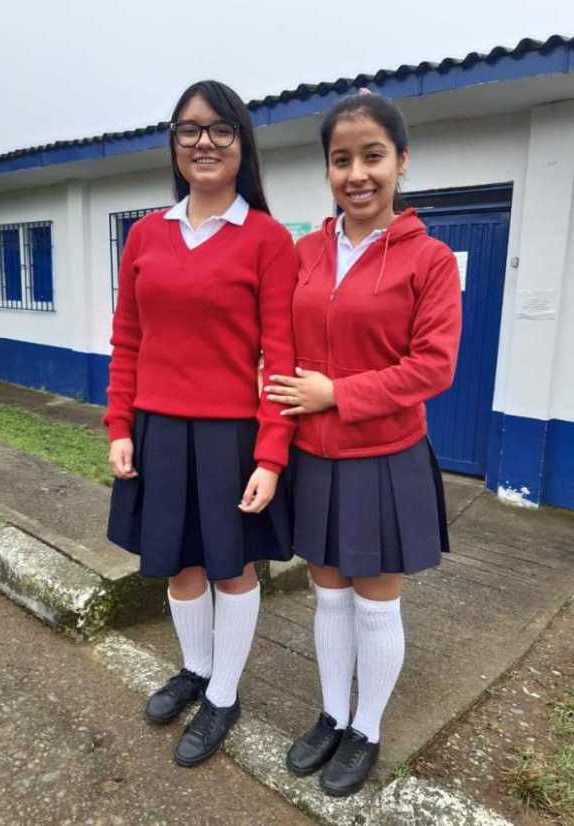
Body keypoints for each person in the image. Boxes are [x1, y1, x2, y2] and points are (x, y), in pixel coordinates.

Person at [265, 92, 462, 797]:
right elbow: (281, 346)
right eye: (341, 159)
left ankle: (367, 728)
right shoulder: (305, 252)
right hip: (317, 458)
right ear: (328, 169)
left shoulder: (430, 260)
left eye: (372, 156)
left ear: (400, 162)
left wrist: (337, 394)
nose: (357, 173)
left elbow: (433, 366)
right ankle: (330, 714)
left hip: (385, 457)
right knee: (328, 597)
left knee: (376, 601)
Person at [104, 80, 297, 768]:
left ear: (242, 144)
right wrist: (119, 425)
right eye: (189, 129)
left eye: (220, 129)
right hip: (156, 430)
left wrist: (271, 456)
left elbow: (282, 358)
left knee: (232, 570)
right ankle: (194, 669)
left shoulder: (268, 240)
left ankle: (224, 694)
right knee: (179, 568)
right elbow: (127, 338)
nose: (204, 141)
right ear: (175, 144)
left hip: (229, 437)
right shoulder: (145, 235)